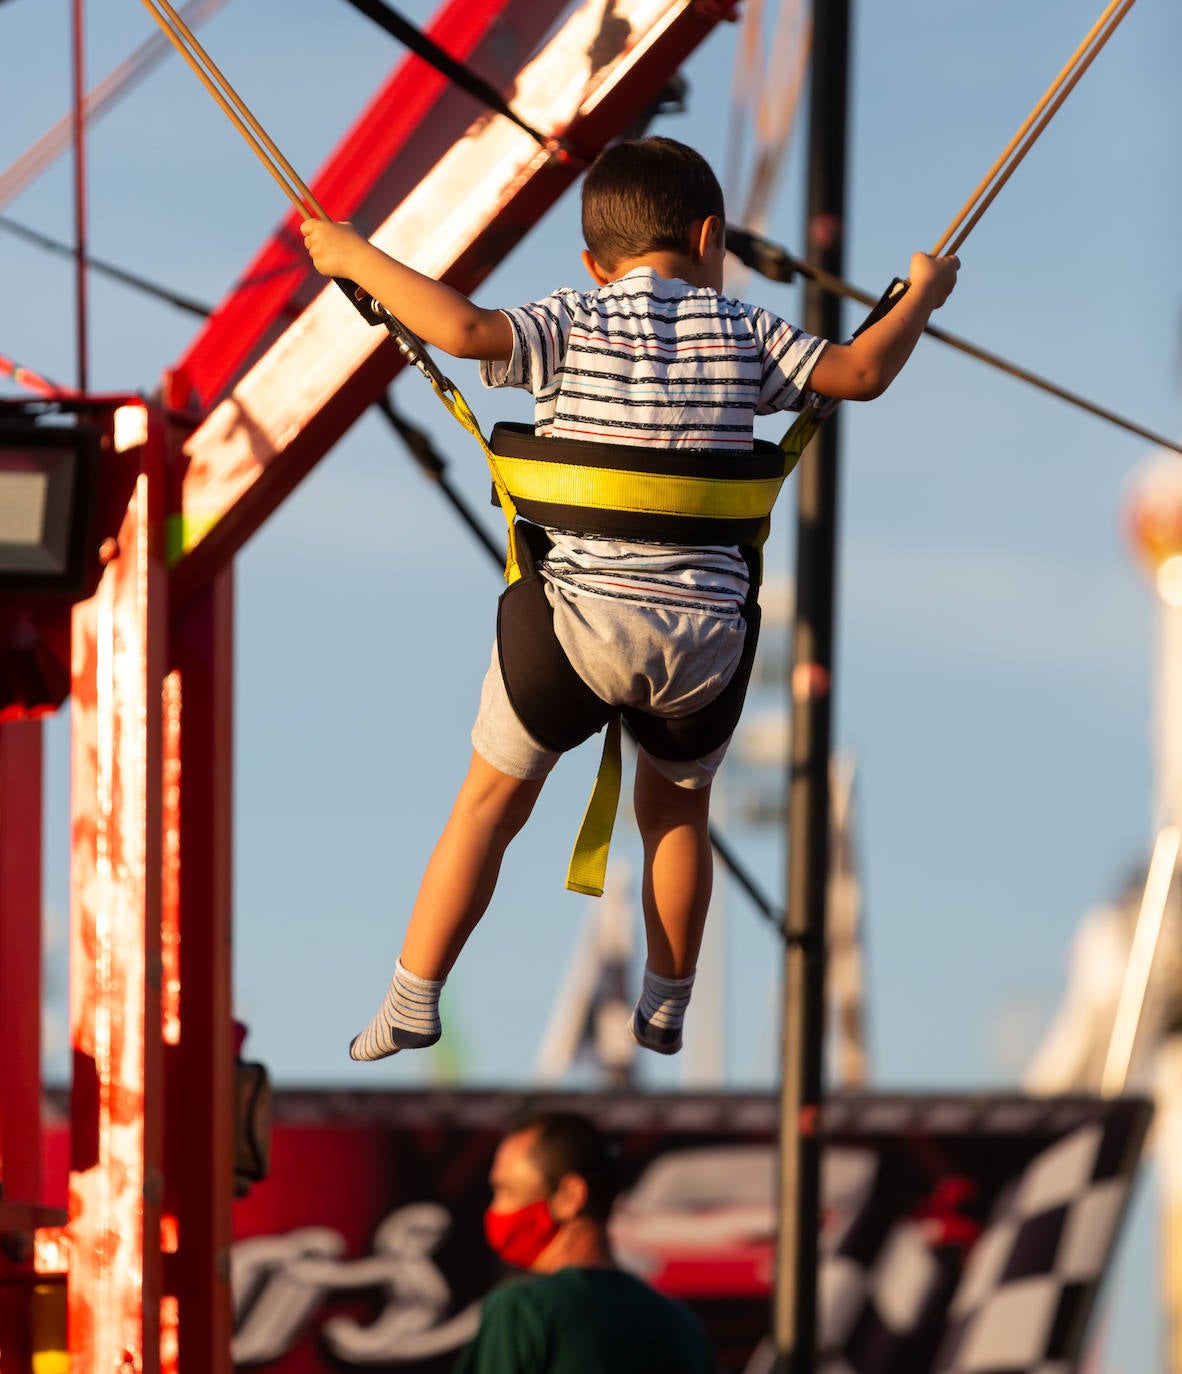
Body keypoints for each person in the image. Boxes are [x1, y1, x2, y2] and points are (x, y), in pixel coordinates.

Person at [301, 137, 958, 1063]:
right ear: (711, 236)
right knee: (677, 817)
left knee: (488, 805)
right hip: (704, 647)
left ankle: (414, 995)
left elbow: (462, 332)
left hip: (573, 631)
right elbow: (859, 375)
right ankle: (667, 997)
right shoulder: (746, 331)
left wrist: (354, 256)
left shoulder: (571, 318)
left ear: (592, 264)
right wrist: (920, 295)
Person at [453, 1110, 715, 1373]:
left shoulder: (521, 1310)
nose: (495, 1209)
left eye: (505, 1190)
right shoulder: (682, 1325)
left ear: (570, 1196)